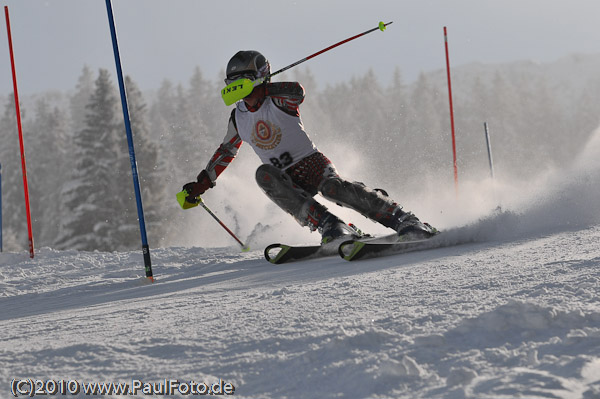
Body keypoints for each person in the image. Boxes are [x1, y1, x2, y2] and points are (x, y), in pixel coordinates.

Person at [182, 50, 436, 244]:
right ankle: (332, 227)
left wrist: (265, 85)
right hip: (284, 177)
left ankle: (404, 219)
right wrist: (203, 183)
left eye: (245, 81)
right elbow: (226, 151)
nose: (239, 89)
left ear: (259, 78)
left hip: (311, 163)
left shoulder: (278, 100)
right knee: (263, 175)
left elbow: (298, 92)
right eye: (234, 82)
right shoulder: (238, 117)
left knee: (332, 188)